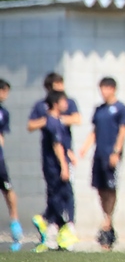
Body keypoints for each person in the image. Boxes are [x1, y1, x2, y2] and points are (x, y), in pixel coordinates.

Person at [29, 73, 80, 249]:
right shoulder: (51, 120)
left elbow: (75, 121)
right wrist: (64, 165)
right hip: (55, 161)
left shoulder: (59, 117)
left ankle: (53, 226)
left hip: (62, 157)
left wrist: (69, 153)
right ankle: (57, 225)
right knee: (61, 193)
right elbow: (57, 144)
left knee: (61, 192)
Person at [78, 77, 125, 250]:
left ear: (113, 89)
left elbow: (122, 131)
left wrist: (116, 151)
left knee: (110, 189)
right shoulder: (99, 109)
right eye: (101, 89)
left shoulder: (120, 108)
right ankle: (108, 222)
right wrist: (85, 147)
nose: (104, 92)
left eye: (106, 88)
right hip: (98, 154)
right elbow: (95, 131)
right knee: (100, 189)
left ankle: (107, 222)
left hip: (111, 154)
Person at [0, 79, 23, 251]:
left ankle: (15, 225)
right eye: (4, 91)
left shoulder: (4, 113)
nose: (6, 95)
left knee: (8, 189)